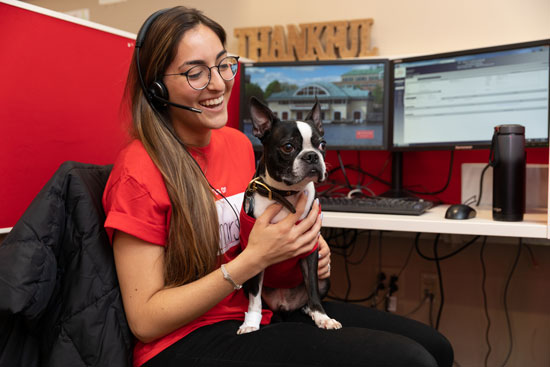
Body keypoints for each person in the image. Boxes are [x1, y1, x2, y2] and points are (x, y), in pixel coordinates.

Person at [102, 6, 454, 367]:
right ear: (157, 86)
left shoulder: (237, 144)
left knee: (436, 347)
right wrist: (253, 259)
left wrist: (305, 248)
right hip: (187, 337)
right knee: (411, 361)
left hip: (258, 307)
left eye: (224, 64)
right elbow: (144, 321)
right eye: (195, 73)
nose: (219, 83)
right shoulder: (140, 171)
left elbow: (264, 224)